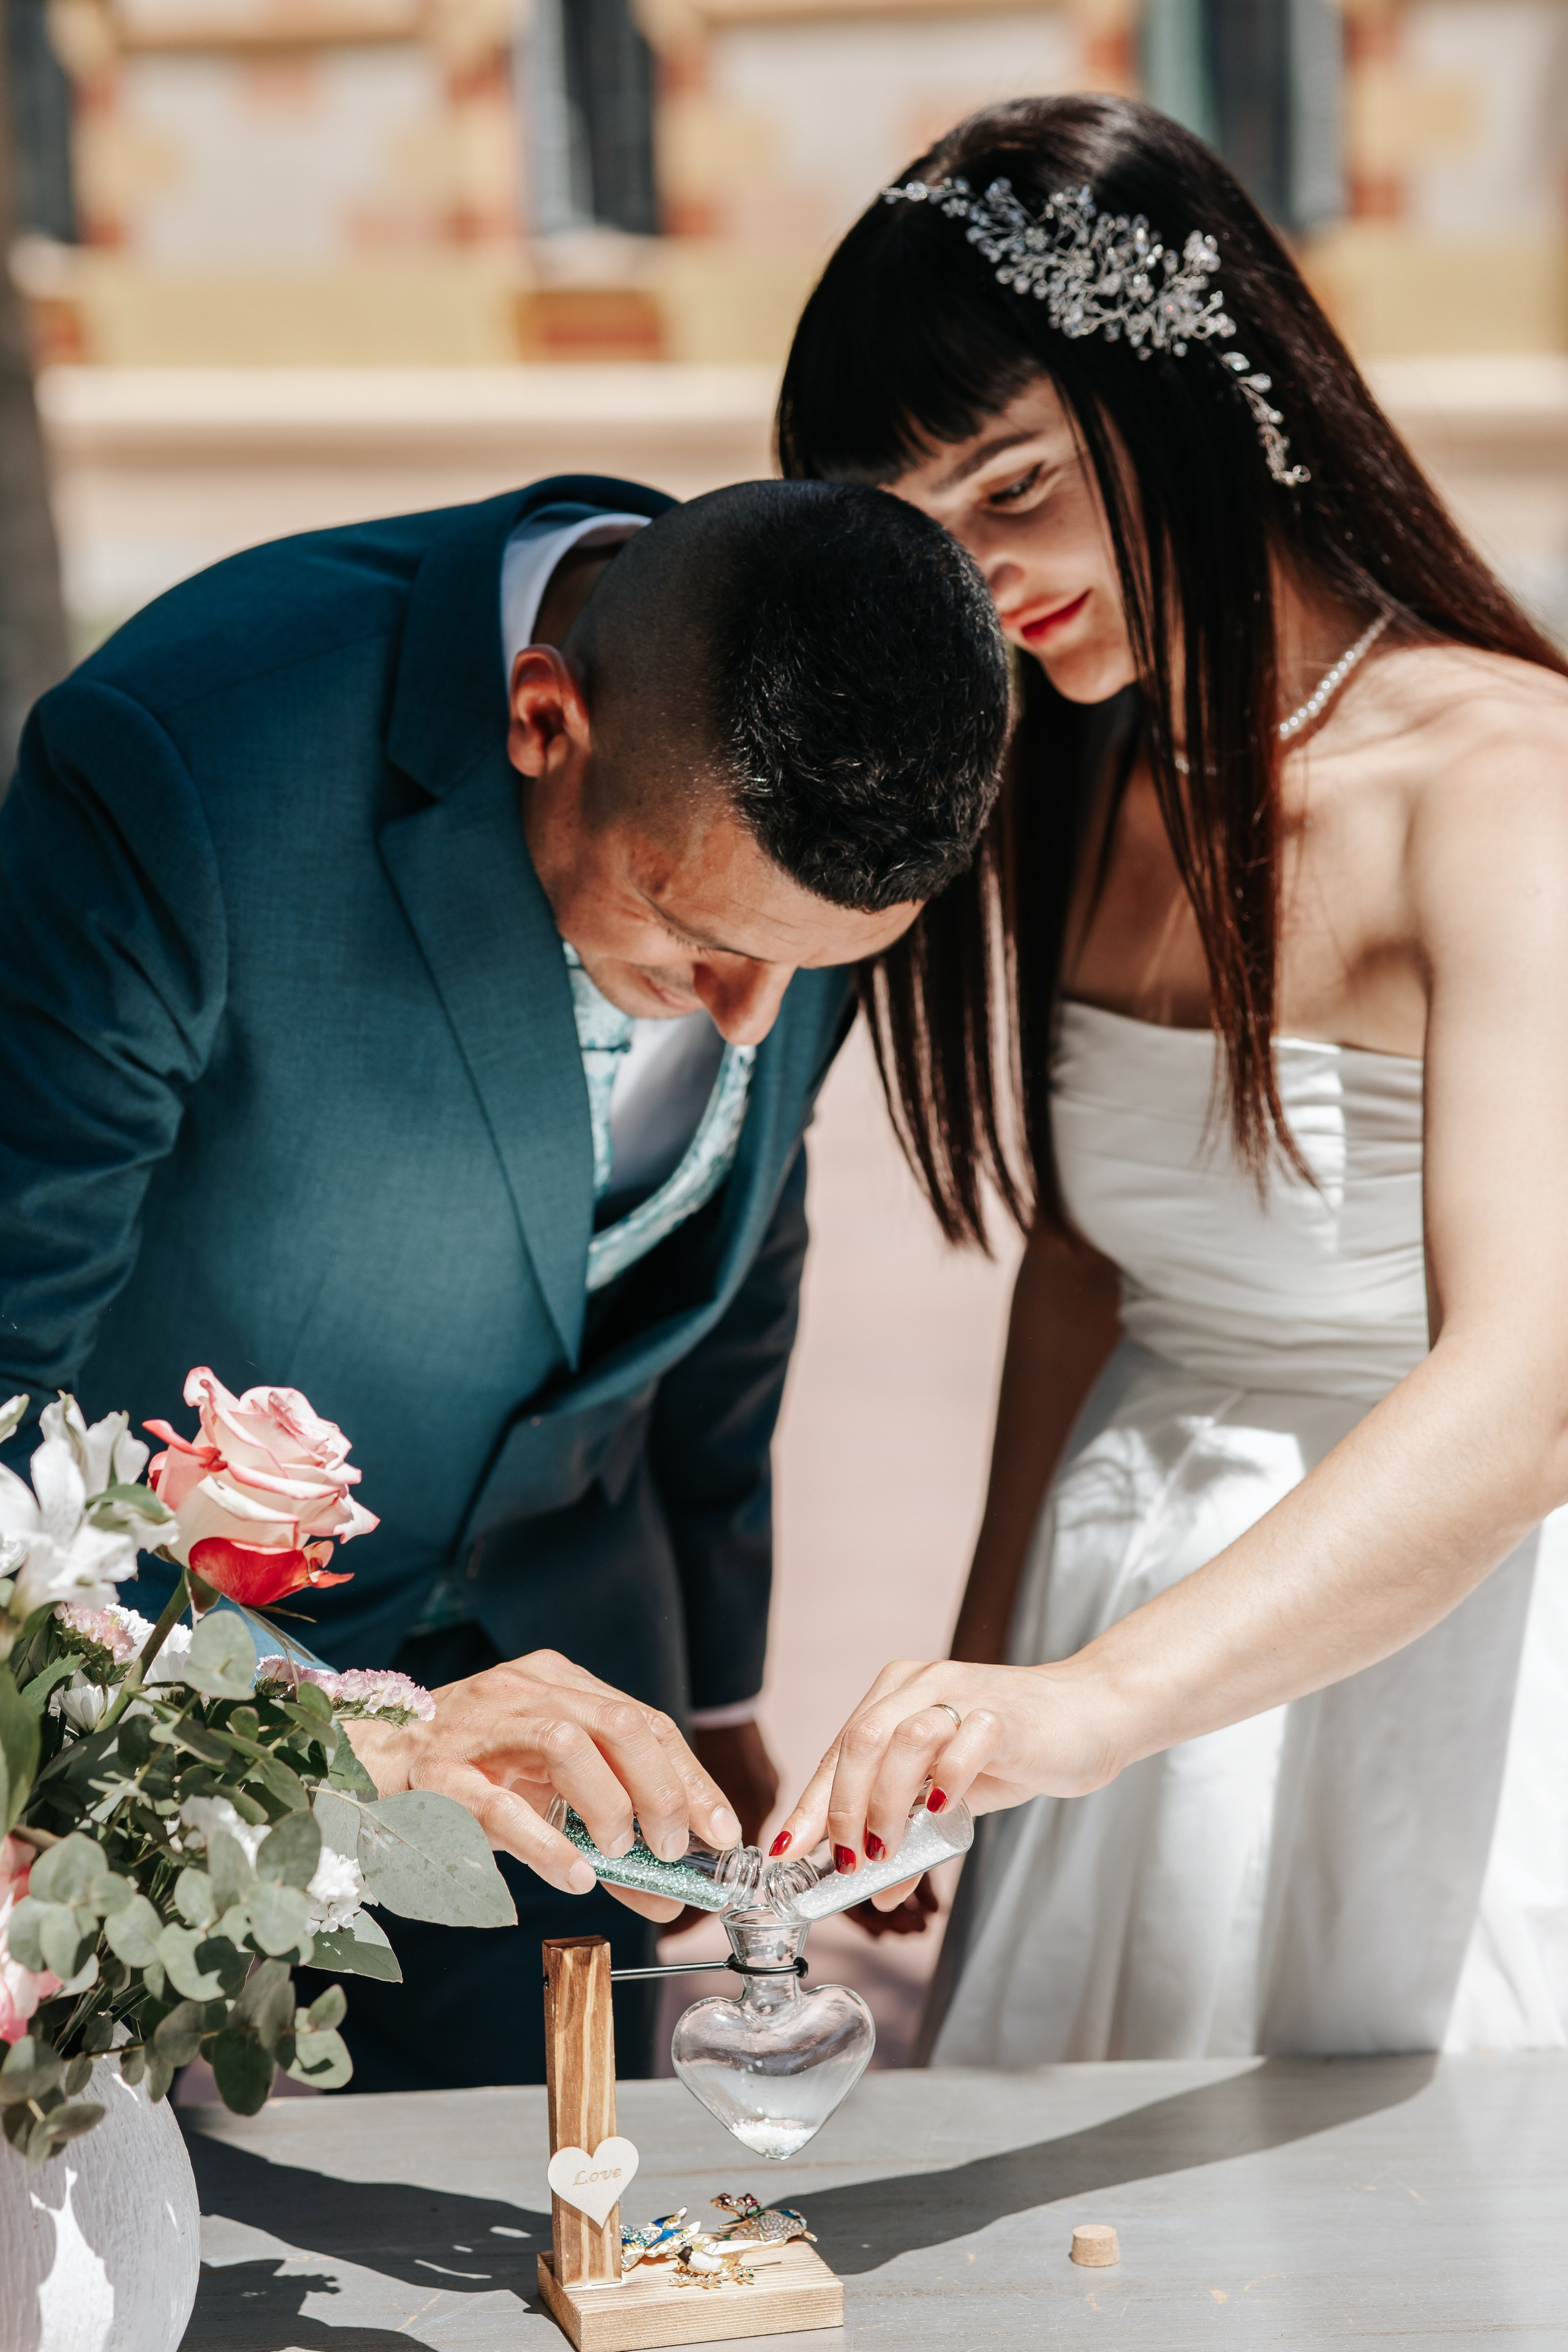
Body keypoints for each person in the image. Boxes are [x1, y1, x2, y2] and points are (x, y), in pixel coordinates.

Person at [0, 472, 1008, 2086]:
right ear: (546, 722)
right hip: (159, 1700)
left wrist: (718, 1690)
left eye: (811, 968)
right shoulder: (186, 766)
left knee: (542, 2196)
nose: (750, 1018)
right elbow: (6, 1392)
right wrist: (346, 1729)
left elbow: (737, 1252)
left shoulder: (835, 758)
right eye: (694, 938)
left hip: (572, 1728)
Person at [769, 94, 1568, 2062]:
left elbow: (1533, 1390)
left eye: (1013, 483)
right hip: (1113, 1597)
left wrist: (1094, 1704)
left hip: (1433, 1635)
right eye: (921, 527)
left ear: (1189, 392)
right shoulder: (1087, 766)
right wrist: (982, 1681)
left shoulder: (1503, 792)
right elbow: (1084, 1267)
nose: (977, 575)